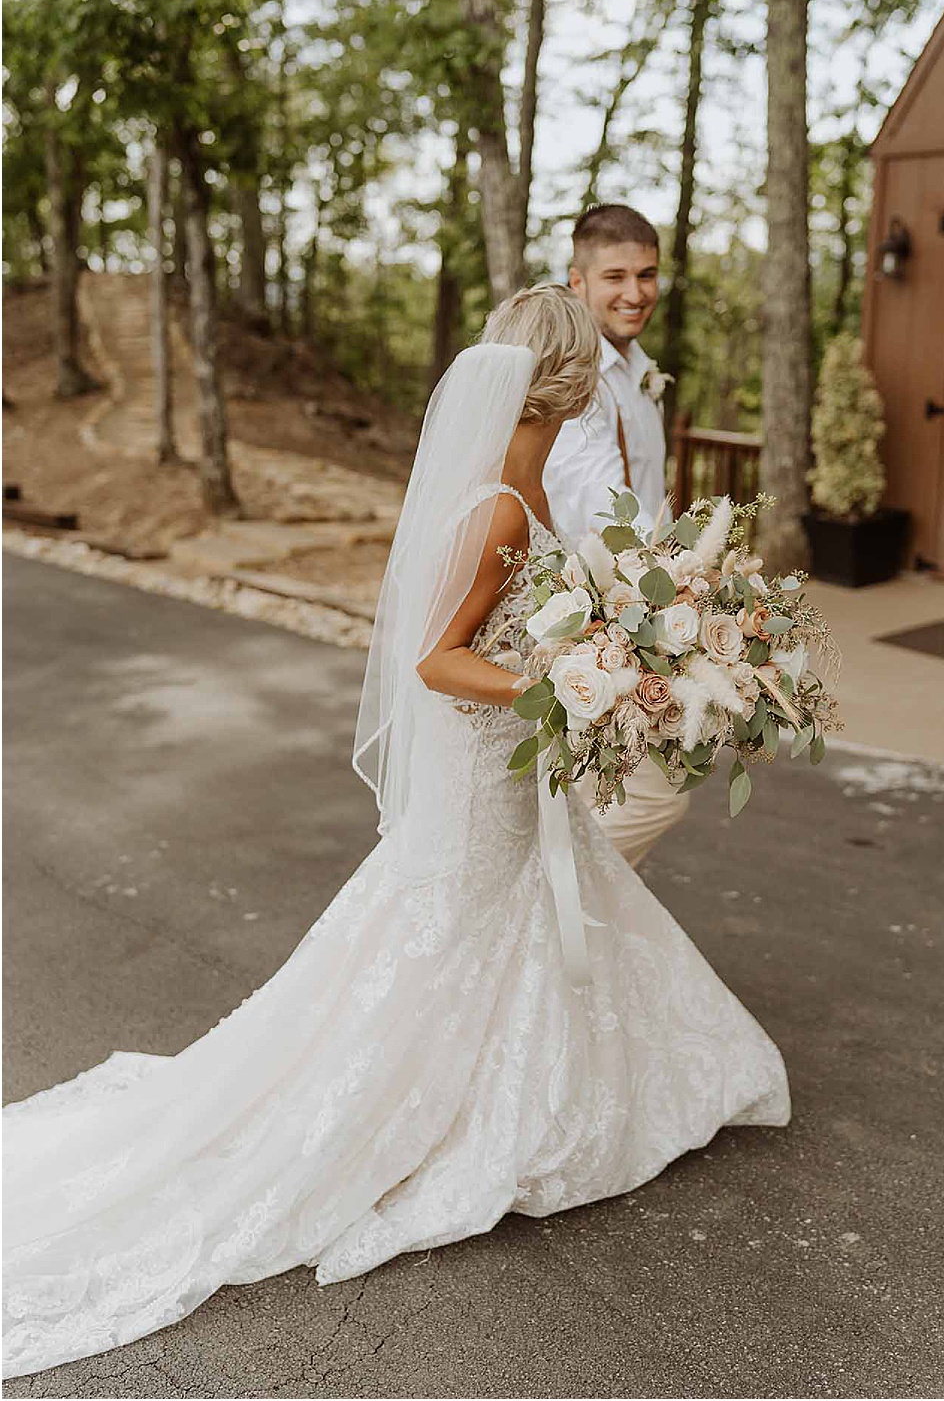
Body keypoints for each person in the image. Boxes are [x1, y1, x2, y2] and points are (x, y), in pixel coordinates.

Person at [3, 286, 789, 1381]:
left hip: (513, 783)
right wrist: (566, 688)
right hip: (482, 788)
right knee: (447, 943)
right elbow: (436, 657)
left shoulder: (516, 490)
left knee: (523, 929)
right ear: (560, 385)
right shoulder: (498, 509)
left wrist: (612, 661)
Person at [546, 203, 689, 867]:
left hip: (635, 614)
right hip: (584, 623)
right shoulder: (575, 379)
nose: (635, 293)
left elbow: (650, 503)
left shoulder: (641, 376)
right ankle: (548, 925)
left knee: (606, 802)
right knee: (640, 802)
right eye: (615, 276)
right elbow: (609, 515)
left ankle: (576, 947)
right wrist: (681, 593)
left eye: (648, 274)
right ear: (577, 281)